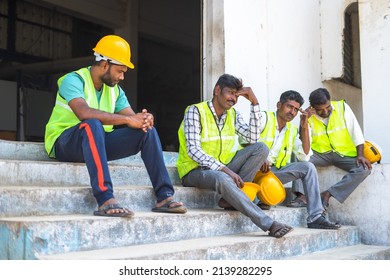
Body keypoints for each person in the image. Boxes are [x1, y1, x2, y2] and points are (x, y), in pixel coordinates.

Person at [44, 34, 186, 217]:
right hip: (65, 143)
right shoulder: (73, 80)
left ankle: (165, 196)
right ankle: (105, 199)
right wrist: (128, 120)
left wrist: (143, 119)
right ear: (104, 65)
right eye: (120, 71)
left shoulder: (115, 90)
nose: (122, 76)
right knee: (92, 124)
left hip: (96, 144)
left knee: (147, 132)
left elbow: (131, 117)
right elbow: (83, 113)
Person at [176, 73, 293, 238]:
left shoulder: (233, 114)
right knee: (223, 178)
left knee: (261, 148)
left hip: (223, 168)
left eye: (236, 95)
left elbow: (252, 138)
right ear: (217, 90)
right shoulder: (195, 111)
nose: (233, 98)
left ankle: (231, 199)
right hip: (195, 170)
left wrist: (254, 102)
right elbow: (193, 150)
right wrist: (225, 170)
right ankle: (269, 224)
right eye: (230, 92)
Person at [245, 90, 340, 229]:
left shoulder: (292, 130)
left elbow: (305, 155)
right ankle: (261, 198)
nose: (292, 112)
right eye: (289, 107)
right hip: (252, 171)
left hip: (272, 174)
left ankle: (315, 217)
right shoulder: (264, 118)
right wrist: (260, 158)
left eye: (296, 109)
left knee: (308, 167)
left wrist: (304, 126)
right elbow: (246, 141)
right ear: (279, 105)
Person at [288, 88, 371, 210]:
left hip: (344, 154)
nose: (325, 111)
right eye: (320, 110)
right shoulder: (308, 116)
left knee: (364, 169)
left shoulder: (342, 107)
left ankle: (327, 194)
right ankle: (302, 196)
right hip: (320, 154)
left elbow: (356, 132)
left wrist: (360, 154)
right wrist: (304, 121)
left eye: (327, 107)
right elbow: (303, 141)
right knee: (298, 153)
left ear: (330, 101)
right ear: (313, 107)